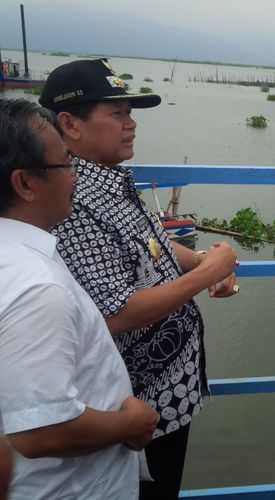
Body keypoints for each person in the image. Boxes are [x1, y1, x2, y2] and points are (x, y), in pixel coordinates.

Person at [38, 59, 239, 499]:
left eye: (131, 114)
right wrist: (207, 273)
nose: (131, 125)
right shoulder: (71, 201)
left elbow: (151, 242)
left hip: (167, 396)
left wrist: (203, 259)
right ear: (70, 124)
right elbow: (115, 312)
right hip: (134, 407)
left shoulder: (109, 178)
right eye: (118, 114)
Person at [0, 98, 159, 499]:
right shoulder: (38, 290)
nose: (75, 177)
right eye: (66, 164)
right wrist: (131, 425)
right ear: (25, 183)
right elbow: (40, 431)